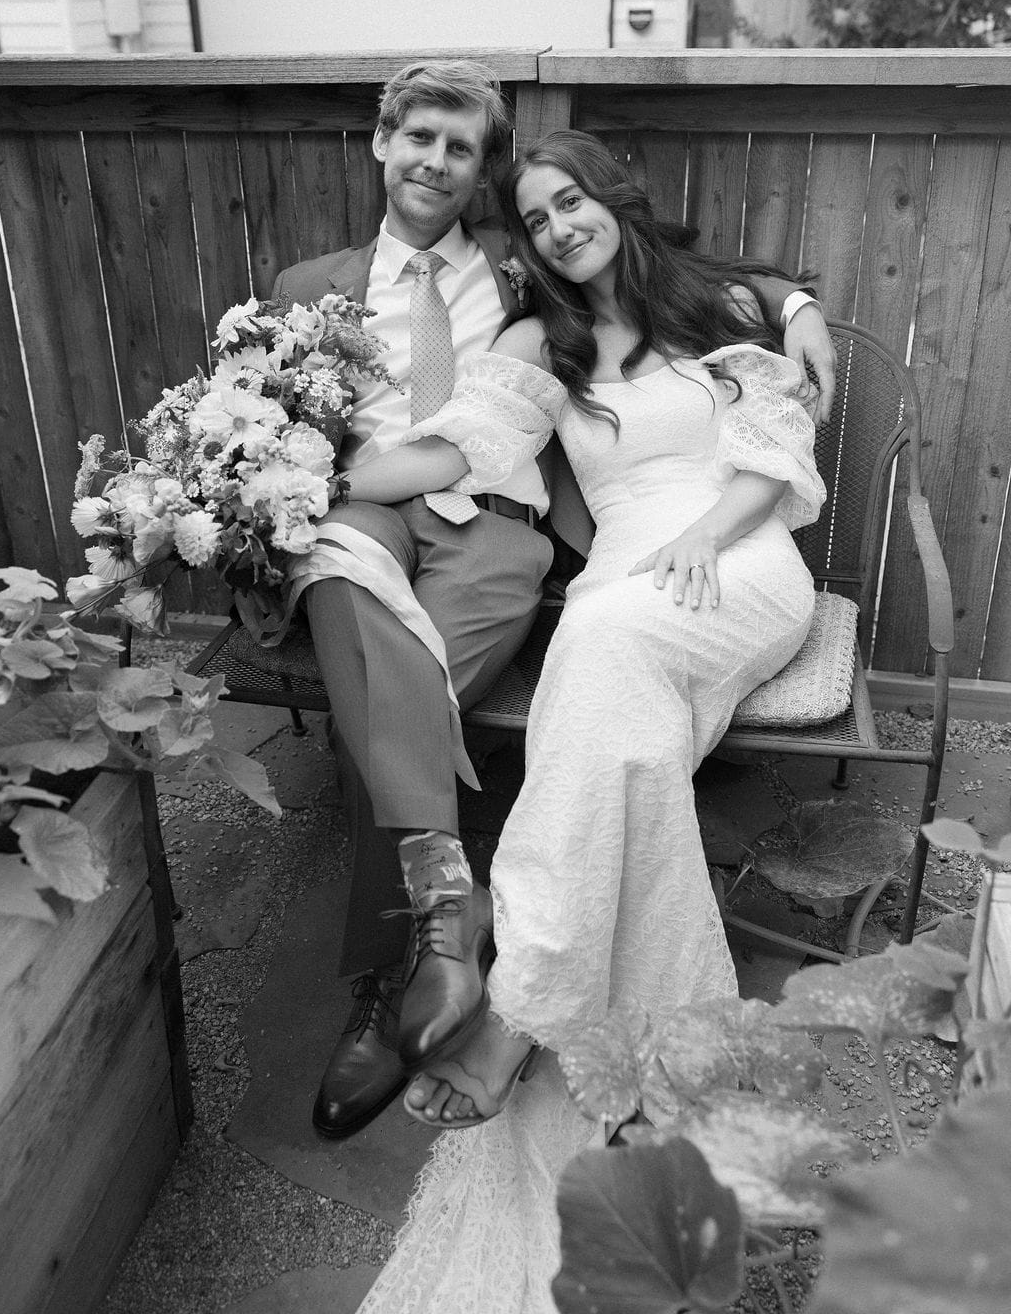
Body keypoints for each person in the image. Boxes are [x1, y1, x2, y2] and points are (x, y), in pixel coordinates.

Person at [274, 63, 835, 1144]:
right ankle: (591, 1018)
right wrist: (299, 481)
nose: (558, 228)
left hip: (735, 557)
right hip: (623, 568)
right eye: (536, 220)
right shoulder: (542, 341)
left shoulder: (709, 308)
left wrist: (706, 531)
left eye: (571, 202)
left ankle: (510, 1008)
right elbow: (458, 444)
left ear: (611, 202)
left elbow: (774, 449)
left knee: (601, 642)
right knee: (627, 741)